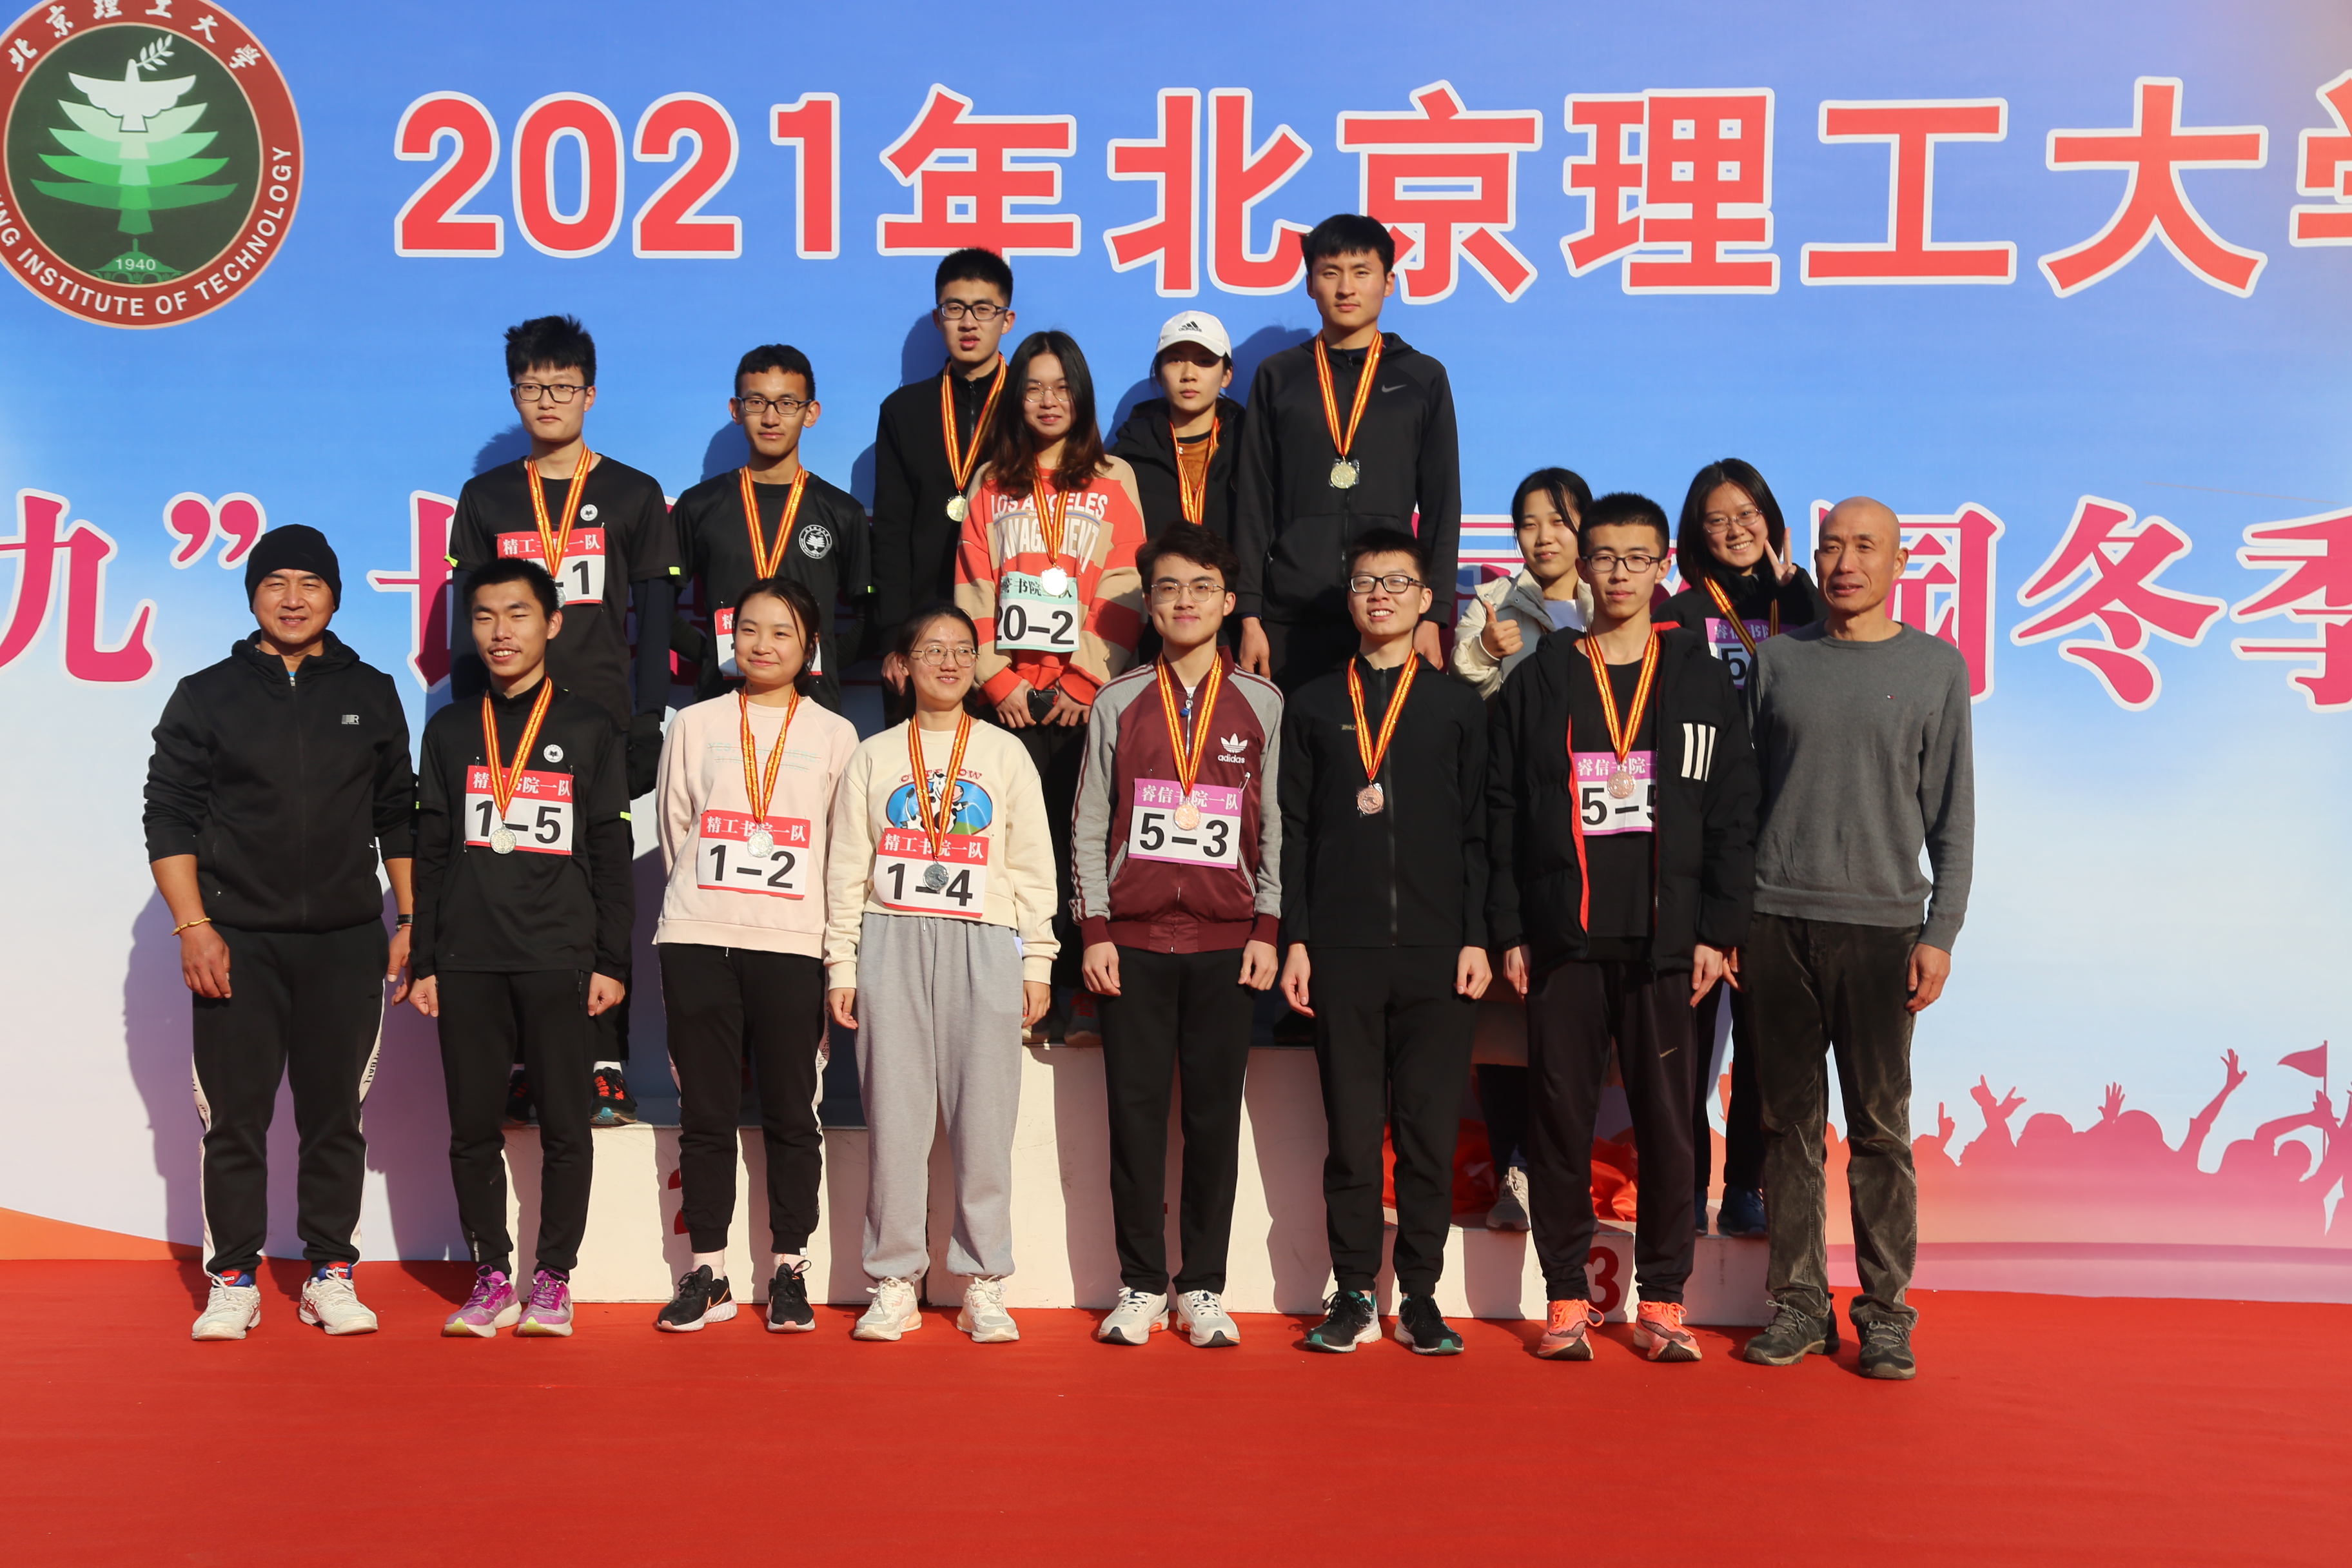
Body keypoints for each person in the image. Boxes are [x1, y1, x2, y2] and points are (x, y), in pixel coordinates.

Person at [1487, 493, 1759, 1364]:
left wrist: (1716, 928)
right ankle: (1566, 1296)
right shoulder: (1540, 680)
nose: (1618, 574)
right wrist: (1510, 927)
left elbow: (1733, 813)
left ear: (1662, 566)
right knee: (1559, 1123)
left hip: (1666, 943)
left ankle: (1665, 1300)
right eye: (1603, 557)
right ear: (1582, 565)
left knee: (1671, 1126)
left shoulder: (1700, 681)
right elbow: (1501, 813)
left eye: (1637, 558)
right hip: (1564, 940)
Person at [144, 527, 414, 1340]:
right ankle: (233, 1278)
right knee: (234, 1118)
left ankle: (330, 1272)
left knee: (336, 1117)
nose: (293, 599)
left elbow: (397, 813)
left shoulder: (371, 690)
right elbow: (168, 815)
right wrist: (194, 924)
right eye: (275, 582)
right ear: (253, 594)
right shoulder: (206, 693)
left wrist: (410, 917)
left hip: (345, 939)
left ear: (334, 596)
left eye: (310, 583)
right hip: (238, 942)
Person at [1738, 496, 1972, 1382]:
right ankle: (1800, 1306)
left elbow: (1954, 816)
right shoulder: (1778, 662)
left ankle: (1885, 1315)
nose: (1845, 563)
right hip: (1776, 920)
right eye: (1832, 546)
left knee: (1879, 1129)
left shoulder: (1934, 668)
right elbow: (1742, 802)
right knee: (1787, 1125)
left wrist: (1941, 929)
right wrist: (1731, 920)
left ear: (1900, 563)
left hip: (1883, 930)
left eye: (1866, 547)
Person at [447, 313, 678, 1128]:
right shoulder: (487, 498)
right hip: (505, 723)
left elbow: (655, 616)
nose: (547, 400)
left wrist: (648, 719)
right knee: (508, 880)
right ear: (514, 394)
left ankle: (605, 1063)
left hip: (602, 723)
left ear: (590, 394)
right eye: (532, 386)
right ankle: (523, 1065)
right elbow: (467, 620)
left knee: (599, 883)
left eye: (562, 386)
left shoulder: (633, 493)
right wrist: (470, 718)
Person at [409, 557, 634, 1338]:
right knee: (472, 1127)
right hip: (467, 957)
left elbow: (608, 849)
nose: (500, 632)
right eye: (484, 616)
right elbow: (431, 850)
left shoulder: (589, 725)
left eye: (517, 614)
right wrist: (424, 958)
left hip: (560, 955)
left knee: (566, 1124)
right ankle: (491, 1274)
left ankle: (554, 1277)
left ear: (553, 623)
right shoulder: (450, 728)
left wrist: (611, 959)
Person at [1070, 525, 1284, 1348]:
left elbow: (1276, 825)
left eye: (1201, 586)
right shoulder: (1117, 699)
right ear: (1149, 604)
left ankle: (1201, 1285)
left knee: (1213, 1124)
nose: (1184, 600)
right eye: (1168, 587)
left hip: (1228, 945)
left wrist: (1267, 925)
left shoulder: (1262, 703)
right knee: (1134, 1120)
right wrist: (1095, 927)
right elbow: (1091, 821)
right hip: (1130, 944)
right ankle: (1139, 1283)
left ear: (1229, 602)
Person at [1279, 528, 1489, 1355]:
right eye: (1367, 581)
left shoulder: (1457, 706)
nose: (1381, 595)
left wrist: (1477, 936)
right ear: (1350, 595)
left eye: (1398, 582)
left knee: (1430, 1134)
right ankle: (1355, 1291)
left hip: (1440, 951)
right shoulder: (1312, 703)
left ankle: (1424, 1295)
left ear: (1426, 598)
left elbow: (1481, 832)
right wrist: (1299, 938)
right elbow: (1293, 830)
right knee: (1352, 1134)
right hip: (1343, 949)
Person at [824, 606, 1057, 1344]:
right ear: (903, 664)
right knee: (894, 1119)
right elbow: (846, 868)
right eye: (932, 649)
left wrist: (1038, 957)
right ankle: (894, 1278)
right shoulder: (874, 754)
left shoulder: (1004, 752)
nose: (950, 662)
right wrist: (842, 961)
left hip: (984, 940)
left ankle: (984, 1279)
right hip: (890, 938)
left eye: (963, 649)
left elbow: (1032, 863)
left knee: (984, 1121)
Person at [650, 578, 859, 1333]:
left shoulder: (835, 734)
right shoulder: (694, 723)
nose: (762, 644)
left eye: (781, 632)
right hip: (699, 935)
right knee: (704, 1112)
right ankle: (707, 1271)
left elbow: (842, 851)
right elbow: (677, 828)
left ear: (810, 648)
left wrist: (836, 956)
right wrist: (707, 903)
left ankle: (788, 1268)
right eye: (748, 629)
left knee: (792, 1114)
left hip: (792, 942)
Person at [954, 329, 1148, 1046]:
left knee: (1081, 842)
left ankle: (1082, 990)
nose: (1047, 400)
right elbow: (974, 583)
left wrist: (1088, 676)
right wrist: (996, 677)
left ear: (1082, 396)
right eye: (1033, 387)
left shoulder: (1114, 477)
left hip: (1084, 699)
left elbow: (1126, 582)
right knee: (1010, 847)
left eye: (1061, 387)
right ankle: (1016, 986)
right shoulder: (990, 482)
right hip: (1007, 701)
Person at [1657, 458, 1826, 1242]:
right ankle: (1686, 1184)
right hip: (1702, 836)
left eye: (1748, 513)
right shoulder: (1679, 612)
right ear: (1696, 533)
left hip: (1786, 838)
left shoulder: (1804, 609)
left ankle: (1748, 1185)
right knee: (1688, 1033)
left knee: (1764, 1033)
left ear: (1772, 519)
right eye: (1717, 518)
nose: (1735, 529)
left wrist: (1803, 594)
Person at [1231, 213, 1461, 691]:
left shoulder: (1423, 378)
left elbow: (1442, 507)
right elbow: (1253, 501)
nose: (1345, 288)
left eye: (1361, 272)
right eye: (1330, 272)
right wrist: (1249, 613)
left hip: (1389, 613)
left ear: (1389, 282)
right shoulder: (1279, 376)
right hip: (1290, 617)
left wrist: (1433, 615)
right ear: (1310, 283)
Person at [1451, 467, 1593, 1232]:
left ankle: (1555, 1163)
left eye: (1559, 521)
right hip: (1513, 813)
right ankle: (1514, 1163)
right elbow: (1459, 695)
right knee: (1507, 1003)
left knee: (1574, 1000)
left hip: (1593, 822)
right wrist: (1481, 650)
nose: (1544, 536)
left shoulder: (1611, 599)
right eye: (1529, 523)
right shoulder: (1493, 603)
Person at [670, 344, 872, 716]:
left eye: (787, 403)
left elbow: (873, 619)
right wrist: (716, 654)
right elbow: (658, 608)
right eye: (757, 402)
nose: (771, 418)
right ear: (736, 410)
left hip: (812, 707)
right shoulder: (699, 506)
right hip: (721, 702)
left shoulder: (843, 512)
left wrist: (811, 660)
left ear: (811, 413)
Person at [872, 248, 1017, 668]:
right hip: (924, 629)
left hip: (1012, 626)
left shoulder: (1031, 407)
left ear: (1007, 320)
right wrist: (894, 638)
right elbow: (891, 530)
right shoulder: (904, 410)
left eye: (983, 309)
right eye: (955, 309)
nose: (968, 322)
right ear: (939, 319)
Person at [1108, 310, 1246, 543]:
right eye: (1176, 360)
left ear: (1226, 375)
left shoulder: (1252, 450)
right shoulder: (1127, 457)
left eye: (1204, 361)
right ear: (1159, 374)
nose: (1189, 374)